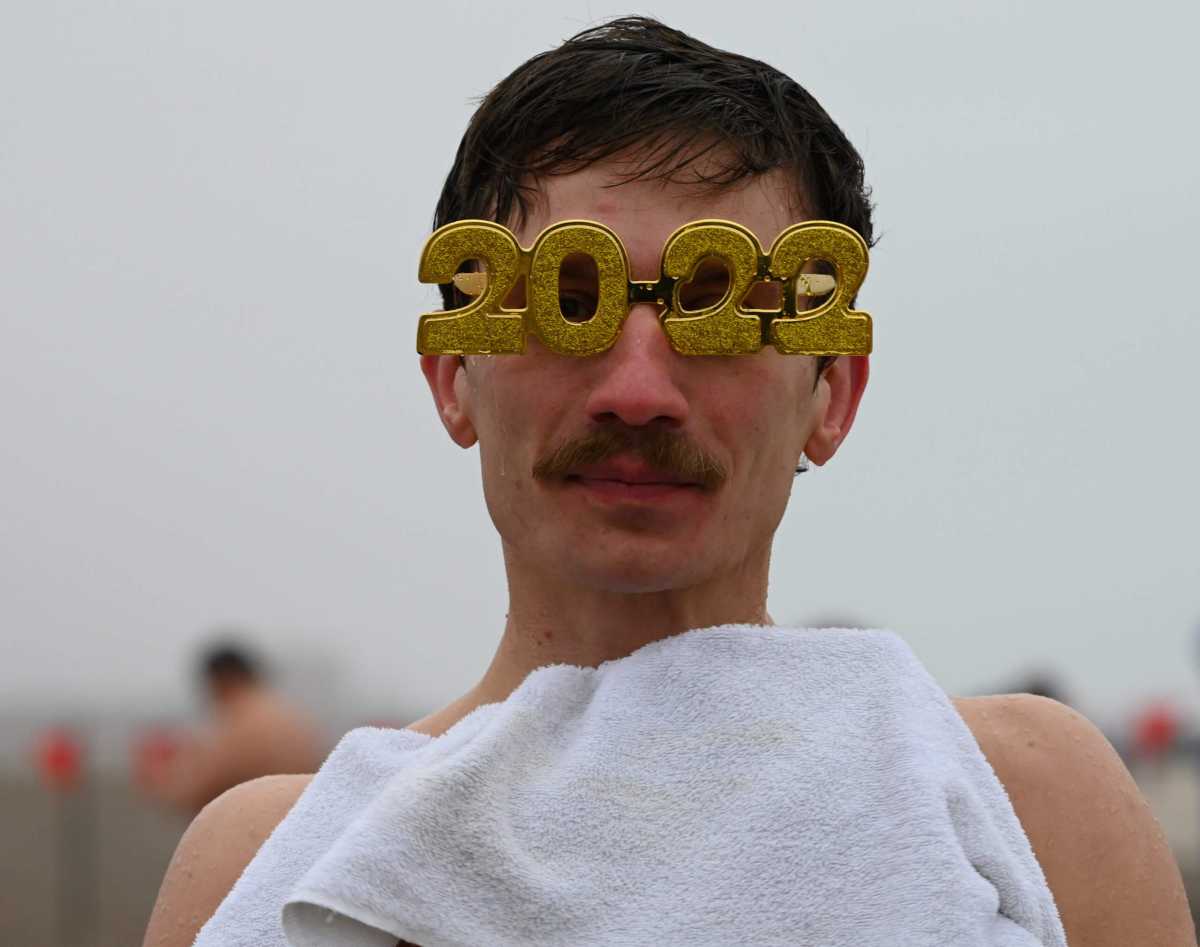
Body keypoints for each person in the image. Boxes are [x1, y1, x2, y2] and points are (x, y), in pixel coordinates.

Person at [145, 18, 1194, 946]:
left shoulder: (1030, 797)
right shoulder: (263, 863)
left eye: (717, 302)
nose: (638, 391)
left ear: (832, 394)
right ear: (451, 377)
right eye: (569, 295)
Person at [139, 641, 326, 815]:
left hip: (256, 834)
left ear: (222, 679)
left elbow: (198, 790)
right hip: (299, 829)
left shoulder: (239, 723)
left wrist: (159, 776)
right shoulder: (293, 717)